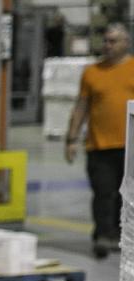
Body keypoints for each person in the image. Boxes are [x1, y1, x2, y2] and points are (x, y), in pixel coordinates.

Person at [65, 22, 134, 258]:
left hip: (130, 145)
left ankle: (120, 235)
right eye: (106, 40)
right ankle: (103, 235)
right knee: (103, 193)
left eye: (113, 41)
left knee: (127, 195)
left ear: (126, 43)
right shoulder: (92, 72)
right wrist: (71, 139)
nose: (108, 45)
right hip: (99, 144)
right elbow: (81, 106)